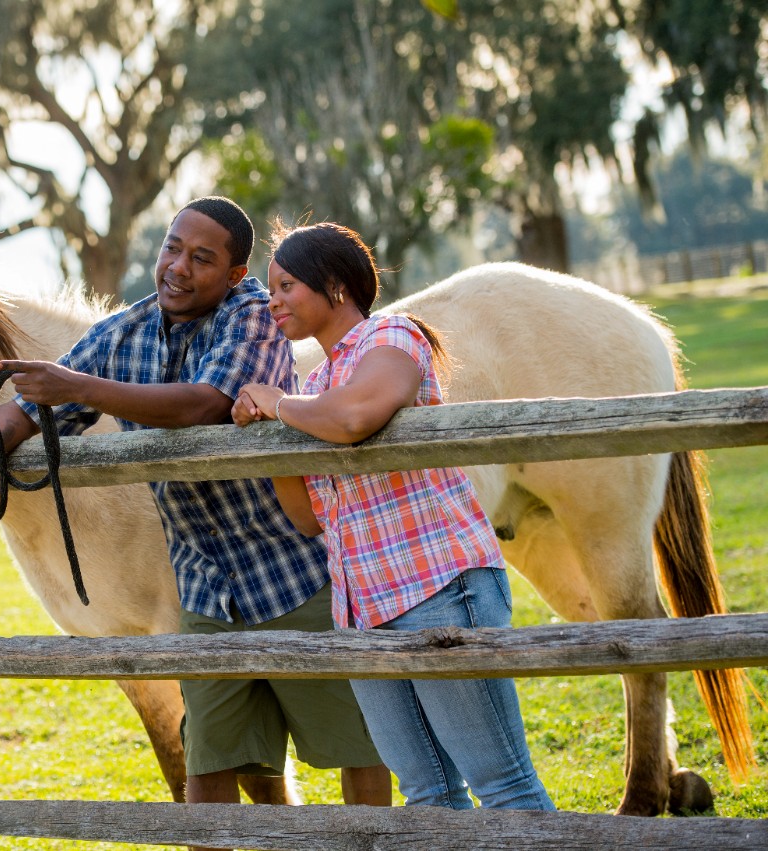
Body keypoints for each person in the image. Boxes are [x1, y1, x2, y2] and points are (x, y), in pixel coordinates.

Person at [0, 198, 390, 833]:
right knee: (207, 767)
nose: (178, 267)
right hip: (204, 590)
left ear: (236, 275)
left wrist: (80, 387)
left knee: (358, 746)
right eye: (172, 248)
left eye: (202, 259)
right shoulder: (124, 332)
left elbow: (204, 406)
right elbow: (23, 409)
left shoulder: (254, 317)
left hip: (291, 573)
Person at [232, 220, 554, 811]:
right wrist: (269, 434)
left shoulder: (392, 336)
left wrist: (277, 403)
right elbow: (308, 518)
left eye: (285, 286)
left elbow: (356, 417)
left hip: (438, 586)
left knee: (502, 783)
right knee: (426, 793)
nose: (272, 301)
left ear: (334, 286)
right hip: (361, 607)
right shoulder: (315, 385)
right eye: (270, 289)